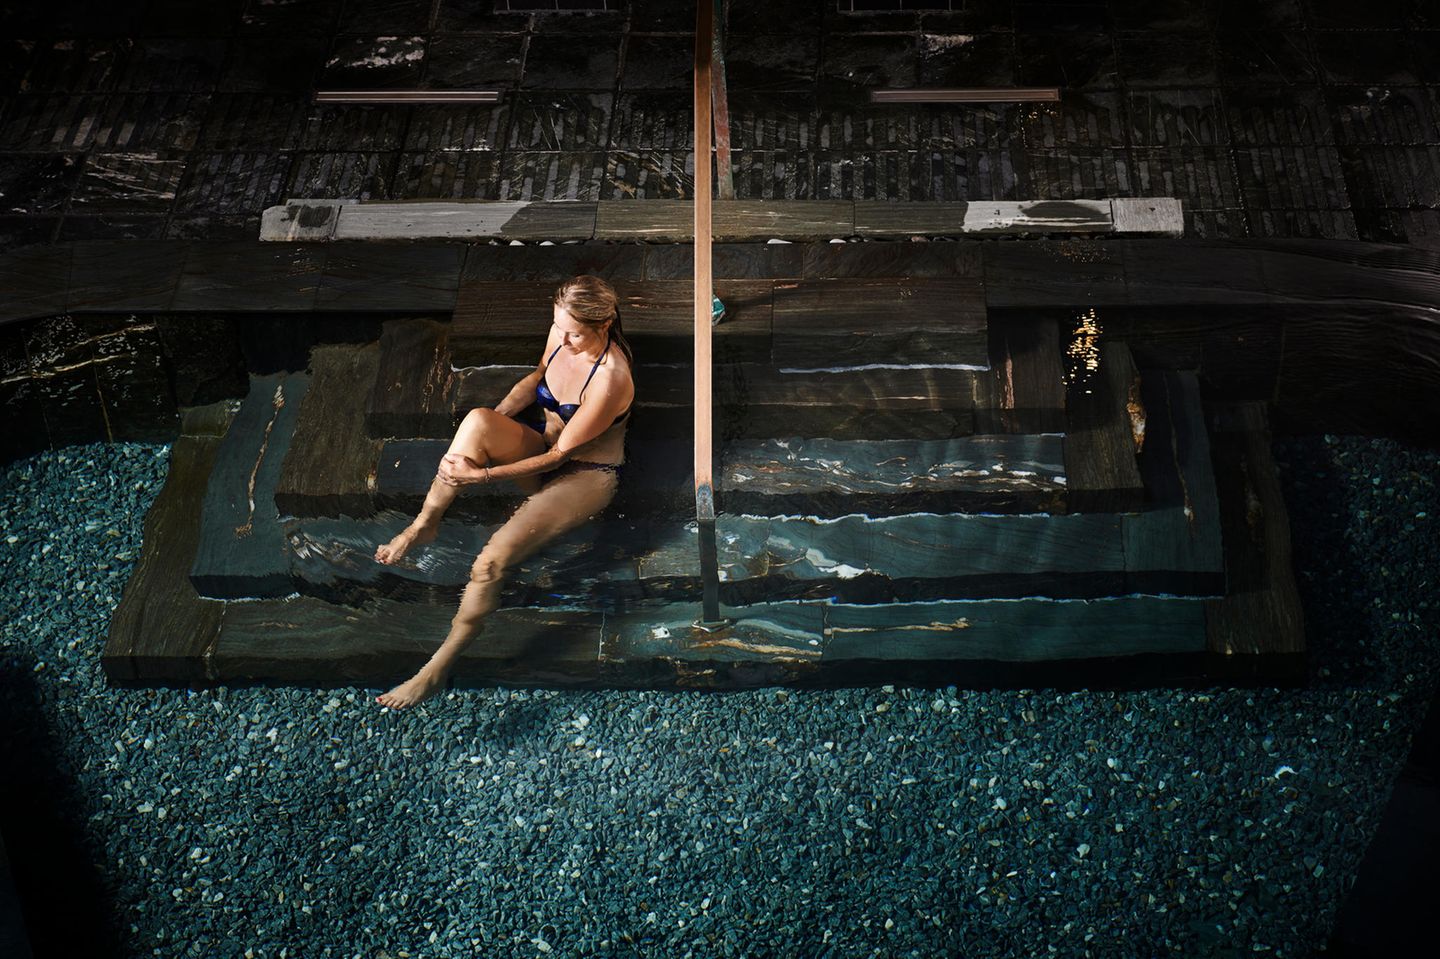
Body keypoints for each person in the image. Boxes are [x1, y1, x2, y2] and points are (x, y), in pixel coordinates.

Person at [372, 275, 635, 709]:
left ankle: (436, 668)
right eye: (559, 326)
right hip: (542, 447)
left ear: (604, 324)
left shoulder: (610, 378)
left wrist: (483, 476)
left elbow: (559, 458)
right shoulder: (559, 334)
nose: (564, 338)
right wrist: (490, 428)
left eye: (574, 332)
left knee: (489, 564)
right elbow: (535, 380)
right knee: (476, 421)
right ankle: (424, 525)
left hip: (585, 473)